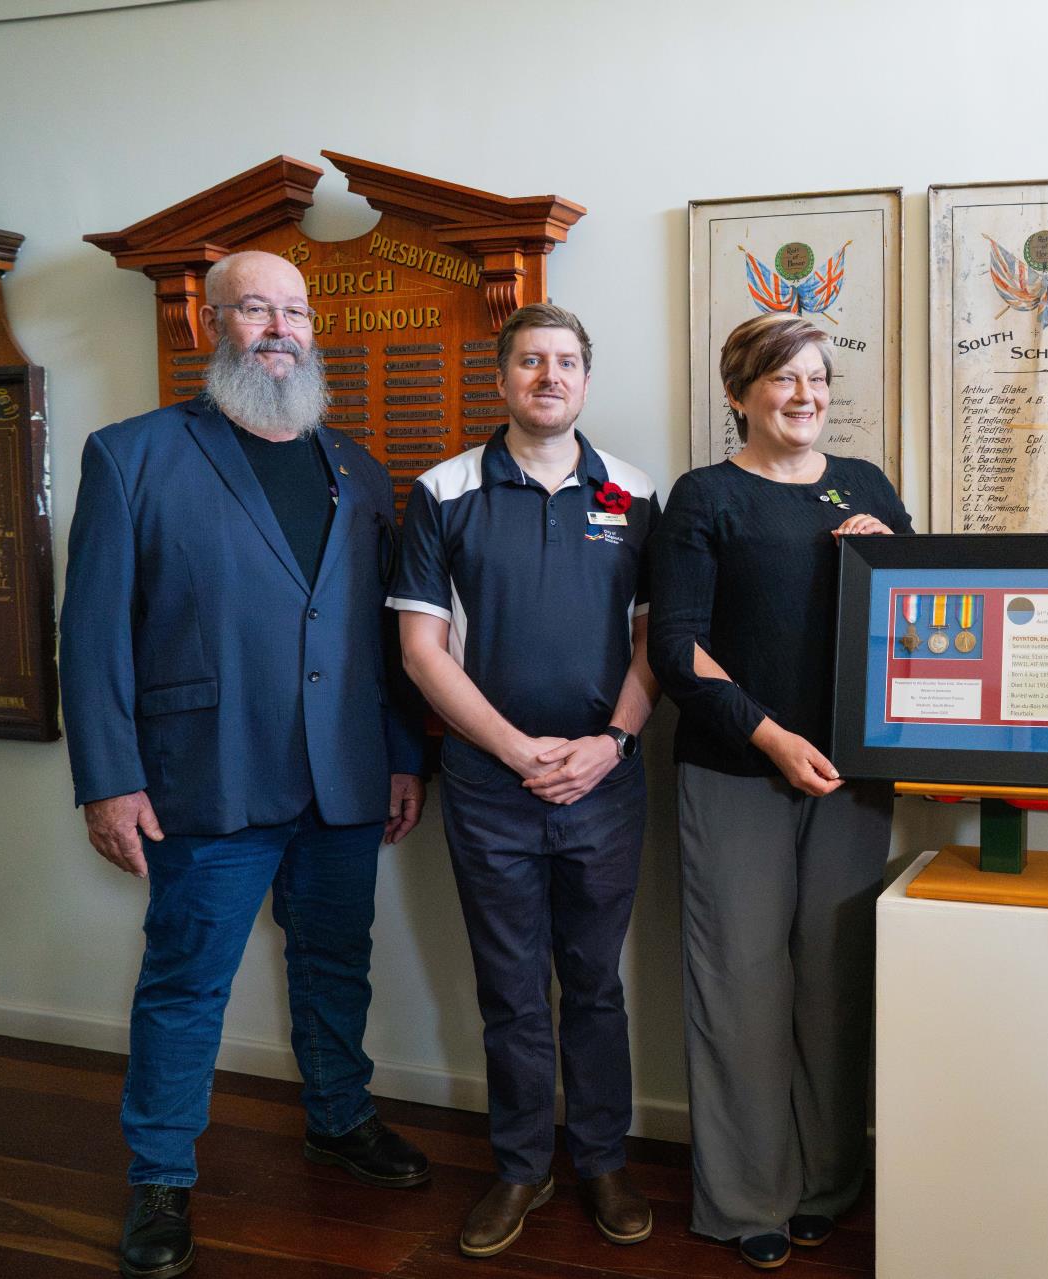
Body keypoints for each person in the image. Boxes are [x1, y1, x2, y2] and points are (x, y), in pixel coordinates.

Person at [60, 249, 429, 1279]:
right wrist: (107, 777)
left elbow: (381, 633)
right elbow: (91, 636)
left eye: (294, 311)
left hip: (344, 777)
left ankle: (338, 1117)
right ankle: (161, 1177)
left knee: (334, 964)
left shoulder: (355, 467)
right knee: (185, 982)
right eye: (254, 307)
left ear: (314, 331)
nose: (278, 326)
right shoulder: (133, 453)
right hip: (203, 777)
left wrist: (401, 755)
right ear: (210, 324)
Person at [390, 304, 660, 1257]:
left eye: (568, 362)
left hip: (604, 785)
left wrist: (611, 746)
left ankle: (600, 1158)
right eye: (531, 361)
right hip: (489, 787)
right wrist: (514, 749)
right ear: (500, 378)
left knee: (593, 984)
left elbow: (651, 642)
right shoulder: (443, 491)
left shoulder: (633, 493)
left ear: (588, 380)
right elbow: (422, 651)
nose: (550, 376)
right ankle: (519, 1166)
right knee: (510, 987)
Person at [647, 312, 912, 1270]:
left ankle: (830, 1184)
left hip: (853, 776)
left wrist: (892, 557)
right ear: (738, 394)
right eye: (782, 380)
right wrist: (771, 735)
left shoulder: (869, 487)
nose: (805, 397)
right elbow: (675, 645)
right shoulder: (703, 496)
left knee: (835, 984)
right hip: (737, 770)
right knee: (743, 983)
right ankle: (745, 1195)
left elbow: (922, 631)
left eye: (818, 380)